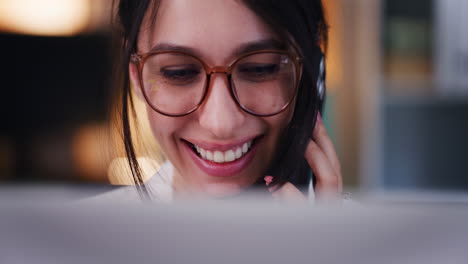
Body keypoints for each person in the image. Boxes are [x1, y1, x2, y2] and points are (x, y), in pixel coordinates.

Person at [113, 0, 342, 201]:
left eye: (261, 69)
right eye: (178, 72)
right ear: (135, 74)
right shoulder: (83, 244)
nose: (221, 124)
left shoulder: (362, 246)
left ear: (311, 72)